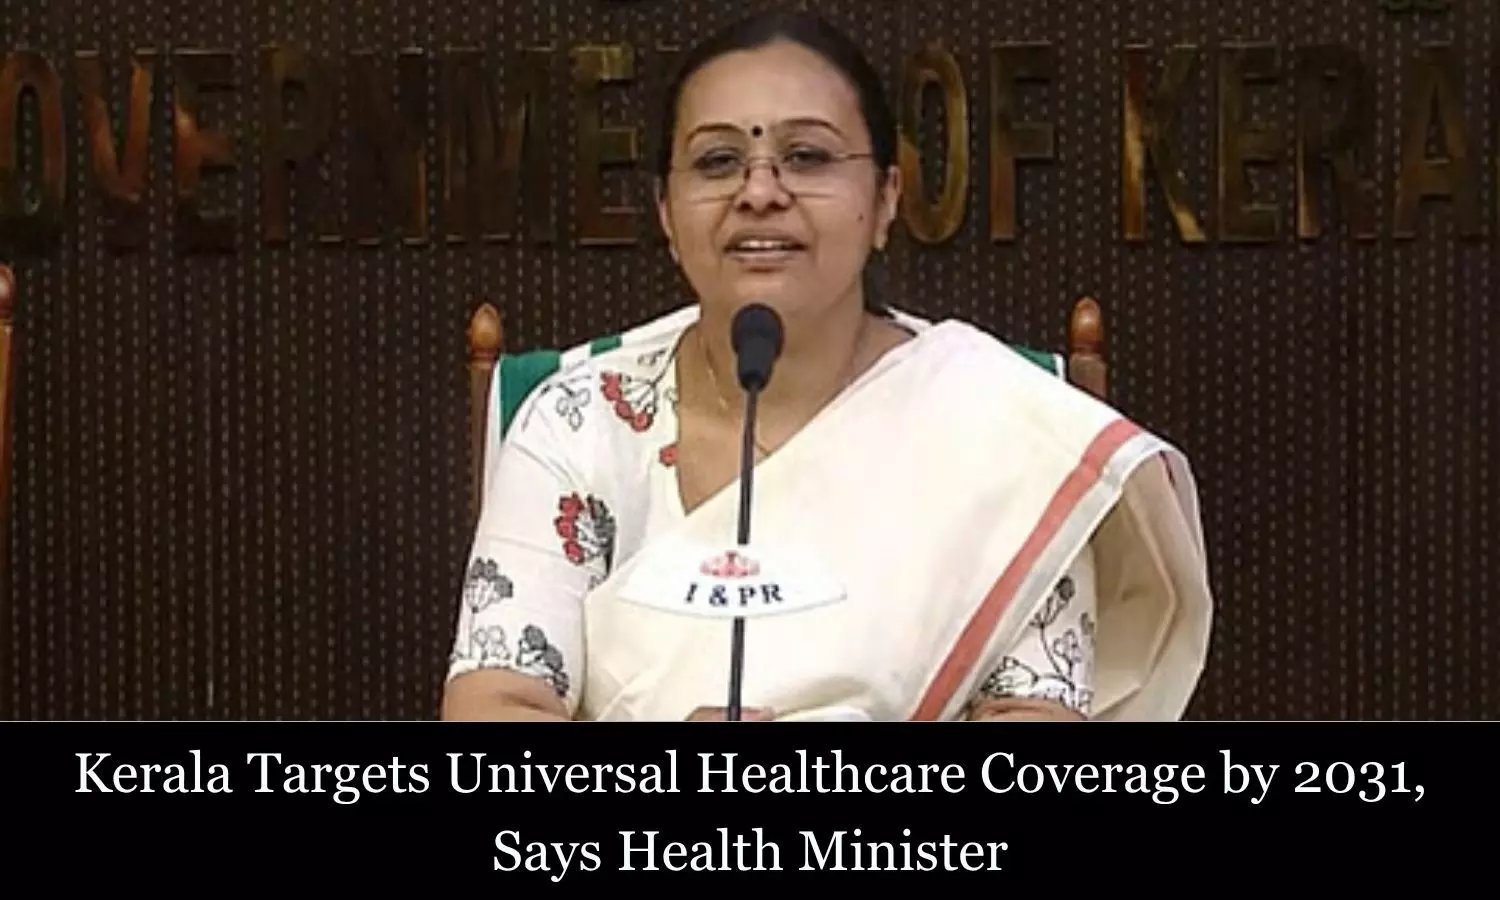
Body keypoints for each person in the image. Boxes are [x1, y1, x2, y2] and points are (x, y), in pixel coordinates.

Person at [439, 10, 1214, 722]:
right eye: (717, 161)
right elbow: (493, 708)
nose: (759, 191)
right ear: (667, 214)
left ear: (885, 199)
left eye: (806, 156)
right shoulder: (581, 422)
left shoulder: (1007, 432)